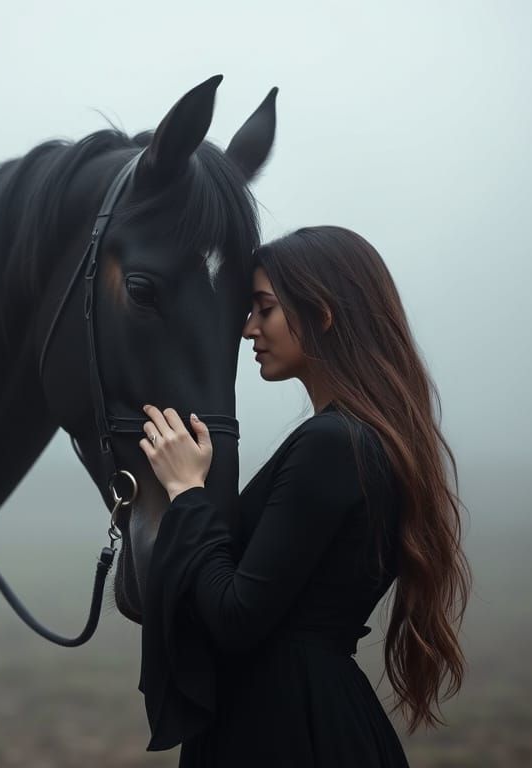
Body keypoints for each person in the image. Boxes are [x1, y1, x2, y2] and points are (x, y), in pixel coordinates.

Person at [137, 225, 470, 767]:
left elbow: (237, 615)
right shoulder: (368, 438)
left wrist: (186, 492)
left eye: (264, 309)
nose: (248, 329)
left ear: (323, 313)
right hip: (310, 717)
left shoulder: (333, 444)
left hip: (283, 733)